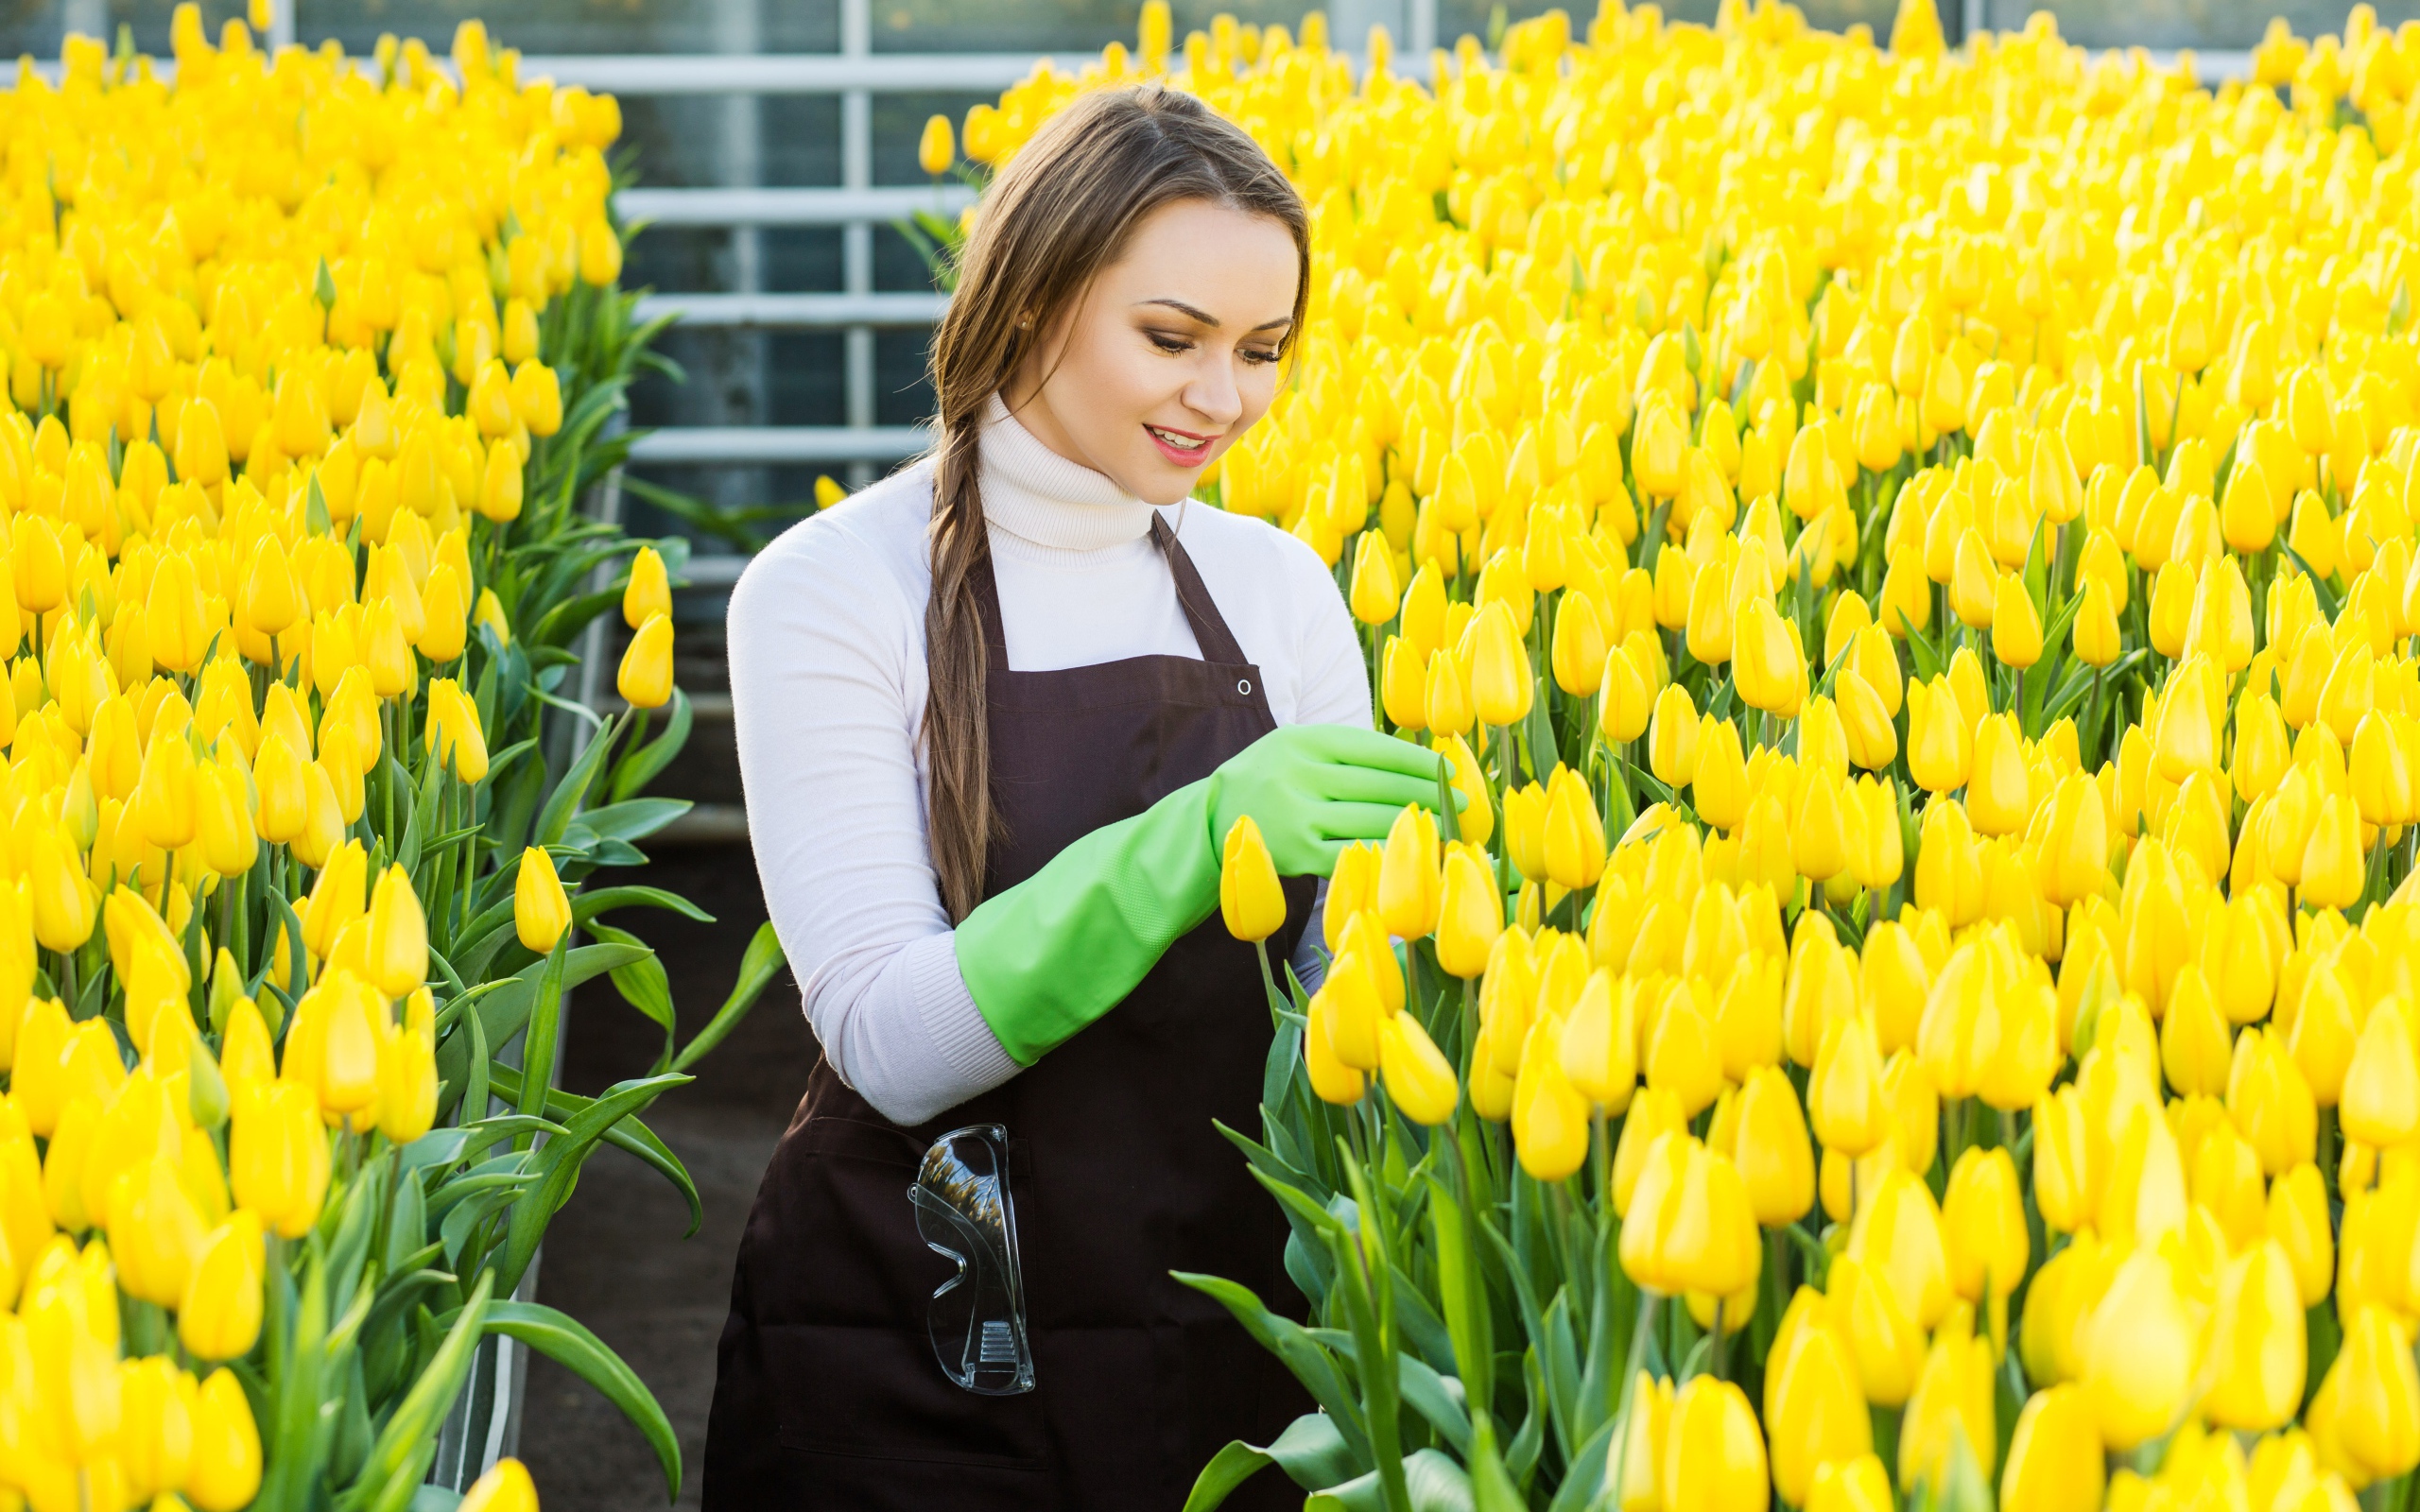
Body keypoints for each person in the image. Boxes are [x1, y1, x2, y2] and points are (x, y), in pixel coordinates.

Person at [703, 84, 1448, 1509]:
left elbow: (1345, 1000)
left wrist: (1451, 923)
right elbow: (888, 1041)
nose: (1223, 399)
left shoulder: (1276, 590)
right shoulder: (830, 590)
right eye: (1170, 340)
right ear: (1035, 299)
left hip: (1229, 1321)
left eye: (1262, 350)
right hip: (923, 1337)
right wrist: (1198, 838)